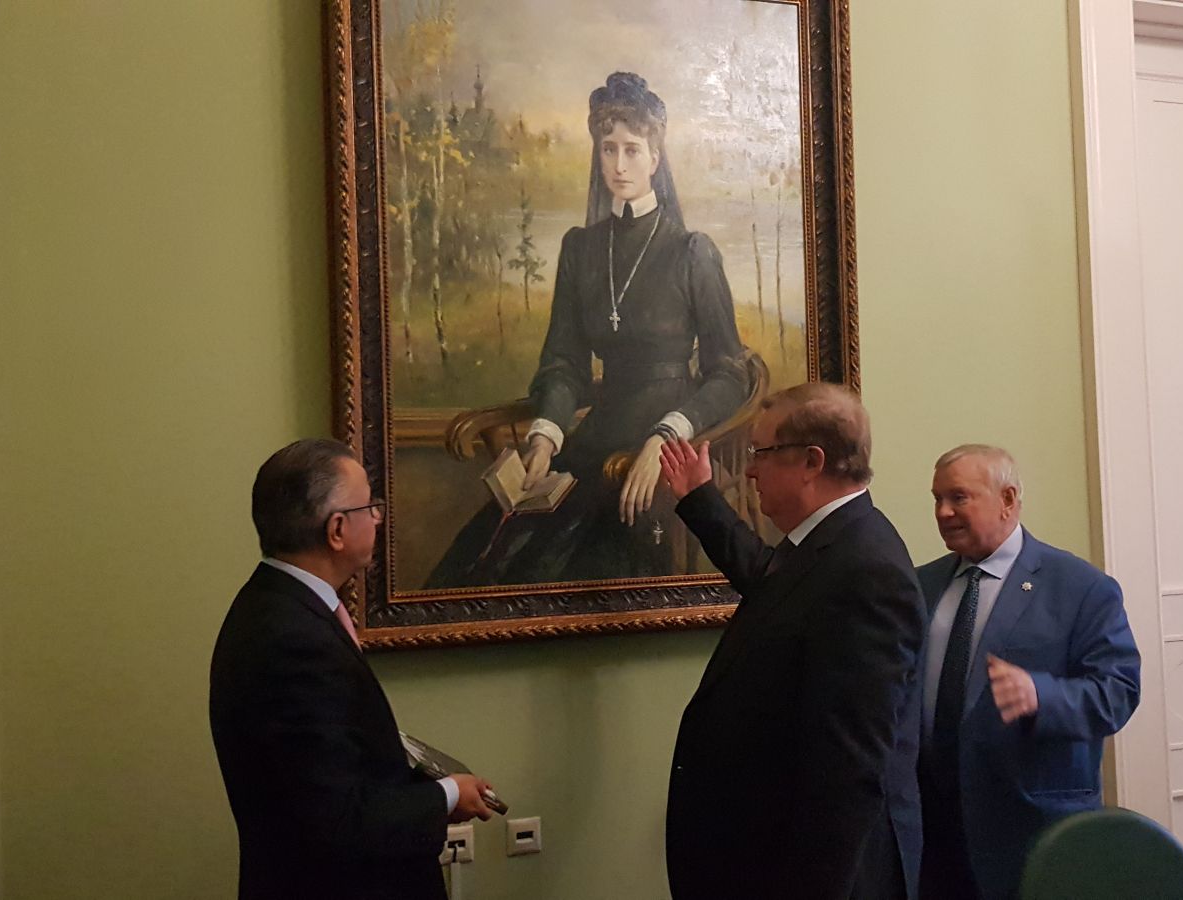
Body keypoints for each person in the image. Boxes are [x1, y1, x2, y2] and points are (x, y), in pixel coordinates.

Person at [427, 71, 747, 587]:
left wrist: (667, 437)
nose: (619, 165)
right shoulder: (581, 249)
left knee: (584, 560)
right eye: (608, 149)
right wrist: (545, 438)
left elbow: (729, 374)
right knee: (494, 555)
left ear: (655, 158)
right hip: (597, 433)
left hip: (663, 434)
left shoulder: (692, 252)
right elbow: (563, 361)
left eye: (632, 150)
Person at [659, 383, 927, 900]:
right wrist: (698, 497)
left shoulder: (867, 572)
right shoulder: (829, 543)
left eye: (761, 452)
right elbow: (770, 580)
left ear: (811, 461)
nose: (750, 470)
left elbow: (848, 773)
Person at [210, 439, 496, 900]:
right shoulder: (293, 640)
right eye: (369, 506)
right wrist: (446, 795)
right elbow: (338, 820)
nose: (378, 517)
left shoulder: (275, 606)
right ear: (337, 529)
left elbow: (334, 766)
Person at [916, 444, 1141, 900]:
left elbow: (1118, 692)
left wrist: (1041, 695)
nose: (943, 512)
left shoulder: (1080, 587)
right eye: (937, 499)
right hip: (932, 828)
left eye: (959, 497)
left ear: (1008, 499)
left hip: (1029, 827)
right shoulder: (922, 584)